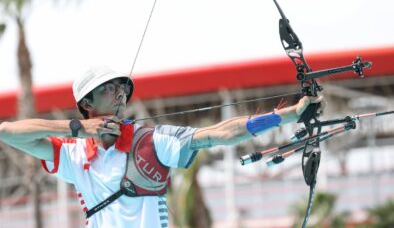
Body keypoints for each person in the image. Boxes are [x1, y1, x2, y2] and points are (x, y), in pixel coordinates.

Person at [0, 67, 324, 228]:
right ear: (86, 103)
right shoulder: (73, 153)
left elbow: (220, 133)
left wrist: (288, 115)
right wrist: (78, 128)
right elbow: (9, 133)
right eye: (110, 89)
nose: (120, 96)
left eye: (122, 91)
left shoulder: (151, 140)